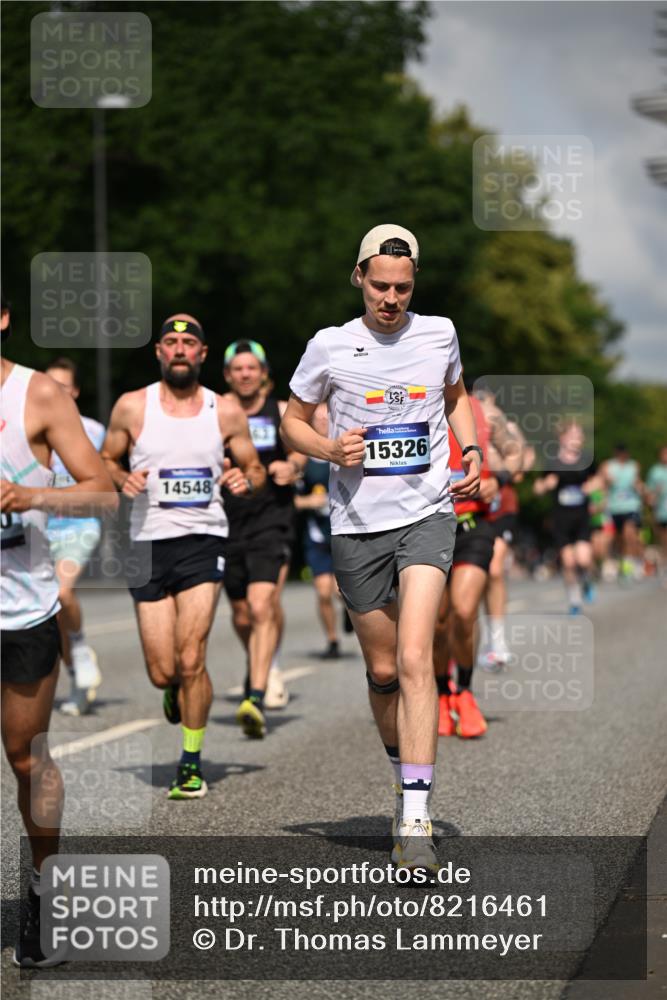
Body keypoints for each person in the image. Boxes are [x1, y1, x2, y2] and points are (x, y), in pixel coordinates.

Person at [281, 224, 481, 870]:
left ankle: (416, 818)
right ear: (359, 279)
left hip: (426, 511)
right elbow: (290, 418)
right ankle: (404, 775)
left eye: (401, 287)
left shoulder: (439, 332)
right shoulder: (330, 345)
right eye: (379, 286)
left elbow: (455, 397)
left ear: (413, 281)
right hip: (355, 523)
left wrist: (470, 448)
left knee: (419, 656)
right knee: (386, 670)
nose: (390, 299)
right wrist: (325, 448)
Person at [102, 315, 265, 799]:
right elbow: (107, 458)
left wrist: (246, 478)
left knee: (191, 655)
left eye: (188, 342)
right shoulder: (133, 406)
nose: (179, 349)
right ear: (158, 351)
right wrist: (120, 477)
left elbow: (252, 463)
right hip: (146, 542)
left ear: (202, 353)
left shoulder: (225, 410)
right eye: (170, 342)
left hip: (203, 538)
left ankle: (190, 763)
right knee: (162, 670)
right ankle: (174, 687)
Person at [1, 295, 117, 966]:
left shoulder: (39, 396)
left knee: (25, 756)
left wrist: (31, 496)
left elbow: (100, 487)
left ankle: (44, 891)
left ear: (4, 317)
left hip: (22, 607)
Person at [222, 340, 305, 738]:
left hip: (273, 518)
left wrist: (292, 466)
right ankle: (263, 661)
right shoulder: (216, 411)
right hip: (227, 521)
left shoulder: (281, 410)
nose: (244, 374)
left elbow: (301, 450)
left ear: (263, 373)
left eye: (251, 368)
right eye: (237, 369)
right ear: (228, 375)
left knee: (263, 603)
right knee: (242, 614)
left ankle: (256, 689)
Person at [434, 390, 523, 738]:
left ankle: (466, 692)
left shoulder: (484, 411)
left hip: (473, 525)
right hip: (426, 528)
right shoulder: (409, 399)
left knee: (464, 609)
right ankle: (442, 694)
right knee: (438, 623)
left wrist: (497, 479)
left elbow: (516, 453)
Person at [44, 357, 105, 716]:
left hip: (79, 527)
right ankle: (76, 676)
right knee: (48, 613)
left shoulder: (94, 431)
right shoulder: (27, 426)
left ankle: (79, 648)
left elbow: (109, 472)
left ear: (75, 391)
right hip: (38, 530)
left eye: (64, 387)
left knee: (62, 593)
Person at [533, 422, 599, 614]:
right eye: (573, 435)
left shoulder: (587, 459)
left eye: (579, 435)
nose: (577, 439)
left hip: (581, 517)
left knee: (584, 559)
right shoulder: (552, 462)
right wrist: (546, 484)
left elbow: (599, 479)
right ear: (562, 438)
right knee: (569, 562)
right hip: (561, 519)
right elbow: (537, 488)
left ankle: (587, 581)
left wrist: (593, 486)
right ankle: (574, 599)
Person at [294, 403, 342, 659]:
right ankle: (332, 640)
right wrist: (306, 502)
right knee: (324, 591)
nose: (323, 422)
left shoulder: (346, 448)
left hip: (343, 530)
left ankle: (348, 609)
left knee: (341, 591)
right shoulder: (302, 458)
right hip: (316, 534)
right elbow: (289, 500)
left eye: (328, 417)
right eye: (318, 418)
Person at [600, 444, 644, 580]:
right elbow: (601, 484)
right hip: (614, 507)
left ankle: (631, 564)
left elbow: (637, 481)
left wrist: (642, 489)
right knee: (618, 539)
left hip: (631, 506)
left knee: (629, 534)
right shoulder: (607, 466)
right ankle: (622, 561)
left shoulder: (634, 466)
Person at [646, 445, 667, 575]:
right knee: (664, 539)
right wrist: (653, 496)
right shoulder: (655, 471)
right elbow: (649, 493)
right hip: (661, 512)